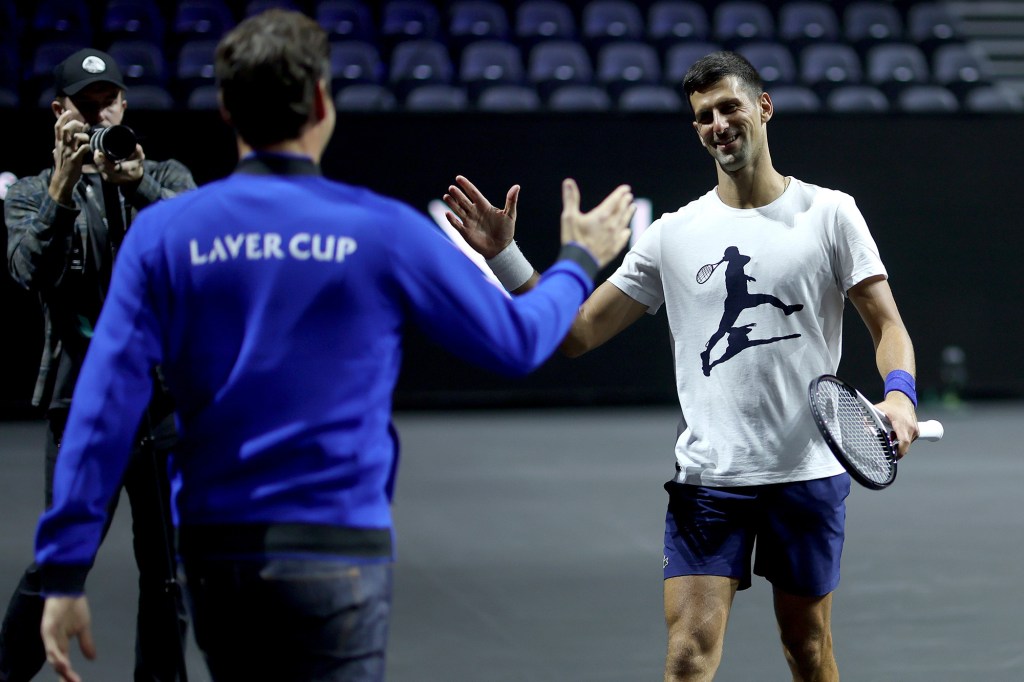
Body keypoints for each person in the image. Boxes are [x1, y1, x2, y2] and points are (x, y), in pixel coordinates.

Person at [33, 10, 634, 682]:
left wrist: (63, 570)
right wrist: (579, 258)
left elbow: (102, 406)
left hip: (214, 553)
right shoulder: (381, 229)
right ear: (322, 102)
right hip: (339, 552)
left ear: (227, 109)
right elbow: (519, 342)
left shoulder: (165, 234)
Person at [442, 51, 922, 681]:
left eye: (729, 108)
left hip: (806, 474)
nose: (717, 124)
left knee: (807, 649)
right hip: (709, 481)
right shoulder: (673, 234)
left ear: (763, 107)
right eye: (703, 116)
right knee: (688, 657)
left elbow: (888, 326)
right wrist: (506, 259)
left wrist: (900, 397)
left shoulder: (830, 214)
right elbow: (577, 334)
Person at [3, 48, 196, 681]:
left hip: (162, 403)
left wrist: (134, 181)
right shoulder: (32, 192)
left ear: (123, 105)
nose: (99, 113)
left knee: (168, 574)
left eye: (107, 101)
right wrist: (63, 183)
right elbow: (28, 271)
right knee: (61, 561)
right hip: (82, 401)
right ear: (59, 113)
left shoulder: (164, 176)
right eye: (84, 106)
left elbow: (199, 243)